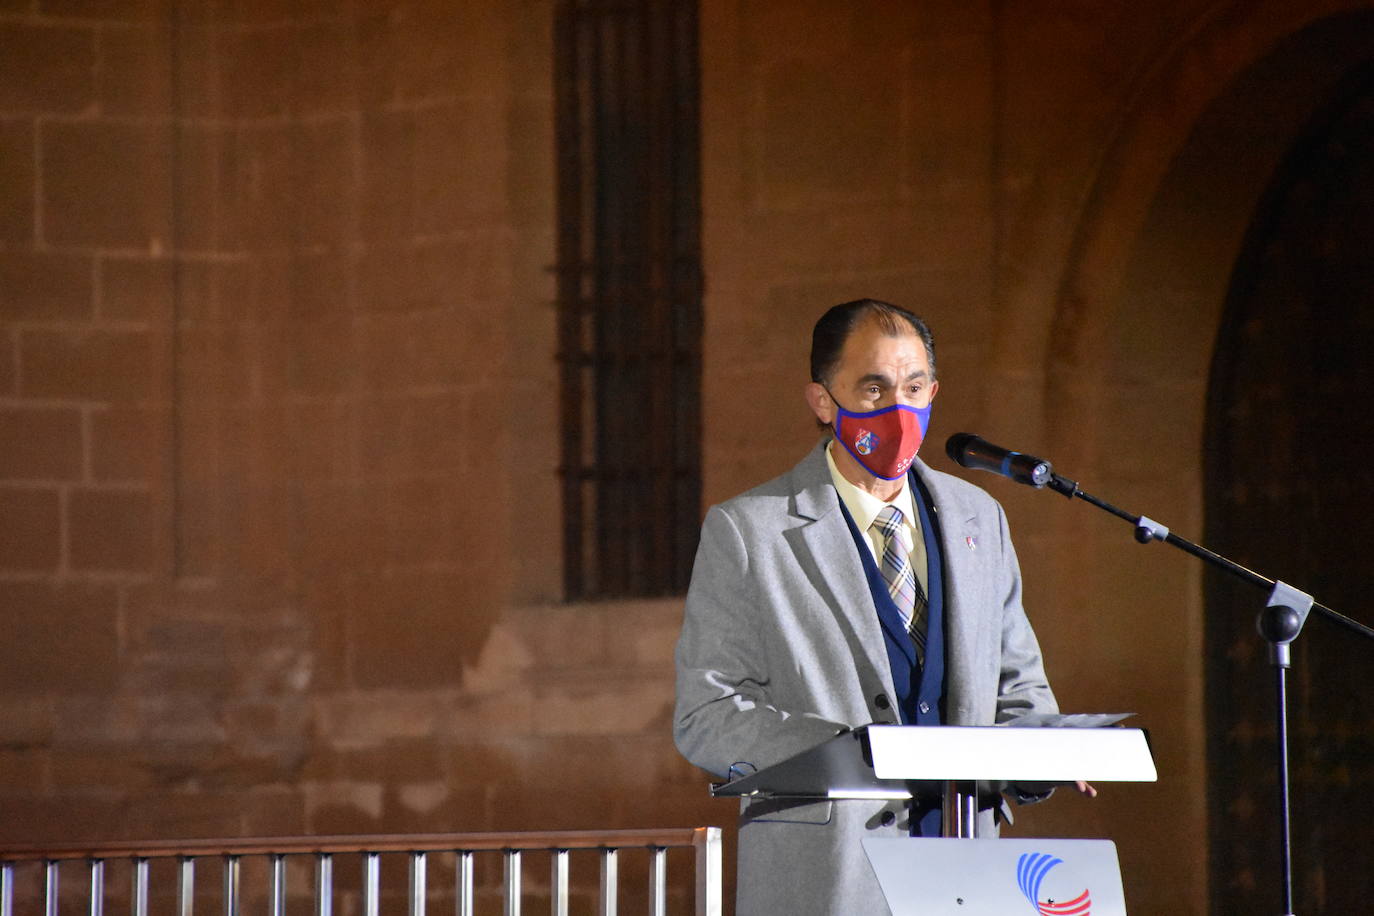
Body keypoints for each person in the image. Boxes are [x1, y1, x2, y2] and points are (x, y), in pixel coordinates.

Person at [673, 299, 1070, 915]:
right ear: (823, 401)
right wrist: (851, 752)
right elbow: (708, 714)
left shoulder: (978, 518)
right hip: (830, 879)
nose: (899, 410)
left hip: (969, 868)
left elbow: (1021, 689)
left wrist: (1047, 753)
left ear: (934, 389)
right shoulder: (749, 531)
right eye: (874, 388)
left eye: (913, 388)